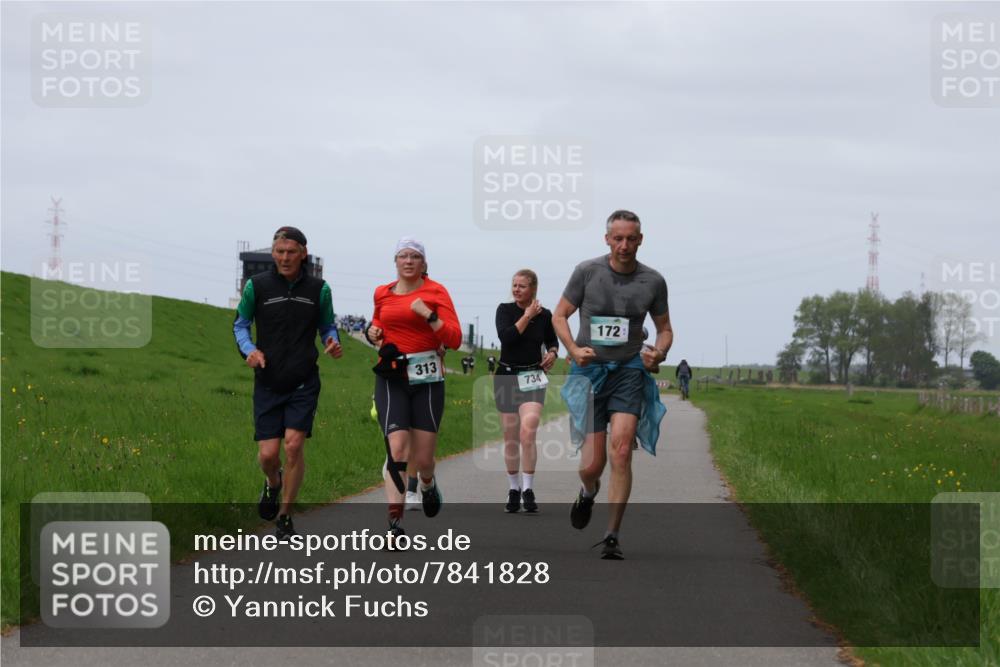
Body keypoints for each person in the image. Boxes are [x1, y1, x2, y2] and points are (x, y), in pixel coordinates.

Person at [552, 210, 672, 560]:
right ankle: (588, 492)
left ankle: (611, 535)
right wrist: (573, 349)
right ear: (607, 239)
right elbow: (559, 315)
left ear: (640, 240)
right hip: (590, 371)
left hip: (629, 370)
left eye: (631, 239)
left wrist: (659, 352)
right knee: (592, 465)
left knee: (621, 450)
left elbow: (665, 328)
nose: (624, 245)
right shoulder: (587, 272)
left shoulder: (653, 281)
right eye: (617, 238)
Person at [233, 226, 343, 539]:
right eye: (279, 252)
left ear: (303, 254)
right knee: (268, 455)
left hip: (303, 380)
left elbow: (327, 325)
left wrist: (332, 342)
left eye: (291, 252)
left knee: (294, 445)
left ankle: (285, 516)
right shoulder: (257, 286)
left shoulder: (319, 289)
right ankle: (272, 483)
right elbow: (240, 325)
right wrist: (249, 350)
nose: (285, 257)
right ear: (273, 253)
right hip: (268, 380)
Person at [365, 237, 462, 543]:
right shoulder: (382, 293)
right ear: (395, 261)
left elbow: (456, 338)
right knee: (397, 450)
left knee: (424, 458)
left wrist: (430, 316)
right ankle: (395, 523)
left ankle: (428, 482)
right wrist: (372, 333)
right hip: (392, 376)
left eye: (414, 257)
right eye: (402, 256)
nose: (408, 261)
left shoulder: (436, 292)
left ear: (423, 263)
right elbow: (378, 327)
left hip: (428, 380)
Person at [494, 270, 558, 513]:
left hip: (532, 376)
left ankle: (528, 489)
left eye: (522, 286)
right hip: (507, 377)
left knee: (527, 432)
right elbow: (507, 337)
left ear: (533, 289)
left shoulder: (545, 316)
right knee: (511, 437)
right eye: (514, 285)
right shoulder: (504, 310)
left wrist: (552, 353)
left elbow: (552, 341)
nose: (516, 289)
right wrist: (526, 315)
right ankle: (513, 488)